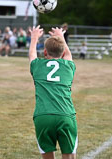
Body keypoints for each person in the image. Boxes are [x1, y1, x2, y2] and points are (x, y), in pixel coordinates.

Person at [29, 26, 77, 159]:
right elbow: (68, 55)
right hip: (65, 115)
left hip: (43, 116)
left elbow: (32, 54)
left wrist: (34, 38)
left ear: (45, 52)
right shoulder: (68, 66)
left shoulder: (37, 65)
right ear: (62, 54)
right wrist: (60, 36)